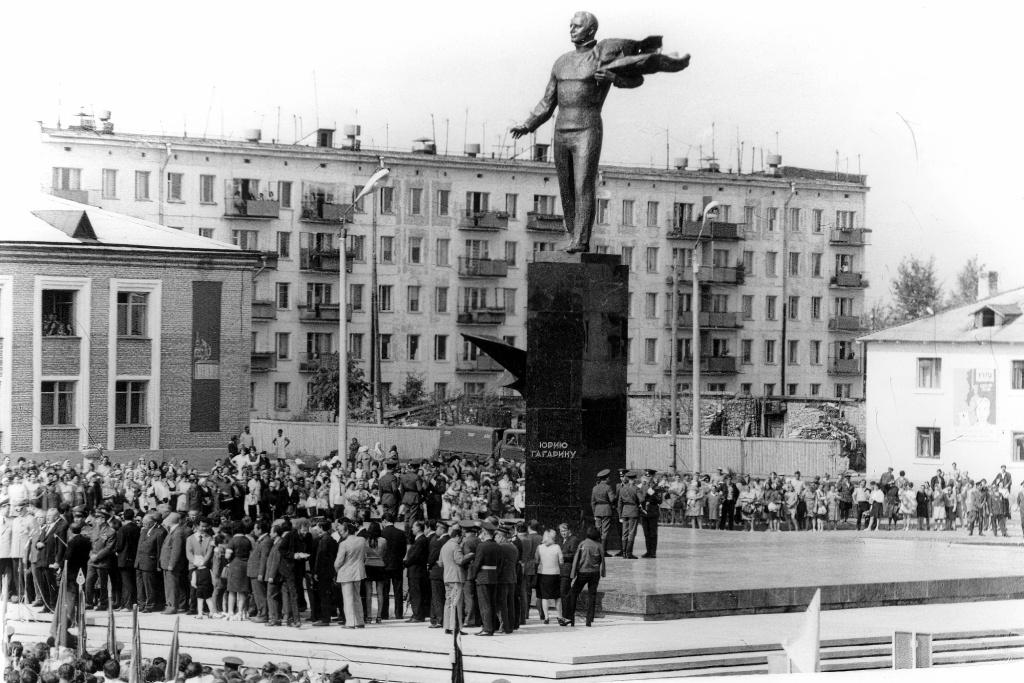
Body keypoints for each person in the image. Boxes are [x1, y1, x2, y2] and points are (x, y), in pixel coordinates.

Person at [511, 11, 690, 252]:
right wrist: (528, 124)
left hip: (587, 129)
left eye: (576, 26)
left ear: (590, 30)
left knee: (583, 185)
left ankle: (581, 241)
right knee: (566, 188)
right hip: (561, 131)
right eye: (570, 26)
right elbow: (547, 102)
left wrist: (613, 77)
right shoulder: (561, 62)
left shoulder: (601, 57)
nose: (571, 30)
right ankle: (573, 235)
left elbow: (637, 80)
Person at [566, 526, 605, 627]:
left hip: (583, 572)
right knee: (592, 595)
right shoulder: (599, 545)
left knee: (573, 593)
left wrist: (573, 574)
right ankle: (589, 619)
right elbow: (602, 560)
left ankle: (571, 618)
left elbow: (576, 559)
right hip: (595, 573)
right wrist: (602, 572)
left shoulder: (583, 543)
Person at [334, 520, 366, 629]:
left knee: (347, 598)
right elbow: (364, 556)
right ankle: (360, 621)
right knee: (357, 597)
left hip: (346, 573)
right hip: (358, 572)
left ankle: (350, 622)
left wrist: (337, 569)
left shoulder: (343, 544)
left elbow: (338, 561)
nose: (341, 533)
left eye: (342, 531)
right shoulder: (362, 540)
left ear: (347, 531)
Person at [471, 521, 501, 636]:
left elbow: (477, 563)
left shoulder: (482, 546)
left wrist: (473, 575)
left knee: (484, 604)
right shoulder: (497, 546)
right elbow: (500, 563)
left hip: (483, 576)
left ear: (484, 532)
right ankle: (492, 626)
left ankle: (487, 628)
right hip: (494, 576)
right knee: (492, 603)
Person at [437, 523, 465, 634]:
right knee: (456, 603)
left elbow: (440, 563)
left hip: (447, 577)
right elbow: (459, 560)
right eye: (461, 537)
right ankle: (456, 627)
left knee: (448, 602)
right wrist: (468, 556)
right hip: (456, 578)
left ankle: (447, 626)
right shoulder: (456, 546)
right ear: (458, 536)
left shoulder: (444, 546)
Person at [159, 512, 188, 614]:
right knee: (172, 586)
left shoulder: (177, 532)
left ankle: (172, 606)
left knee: (172, 586)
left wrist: (172, 564)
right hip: (167, 564)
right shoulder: (173, 531)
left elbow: (176, 550)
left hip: (171, 565)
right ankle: (174, 605)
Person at [222, 521, 251, 621]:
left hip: (235, 565)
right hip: (246, 565)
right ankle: (240, 612)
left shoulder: (233, 540)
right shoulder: (247, 540)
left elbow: (227, 555)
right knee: (242, 590)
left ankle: (230, 612)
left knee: (232, 590)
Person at [379, 513, 406, 620]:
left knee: (384, 590)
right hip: (397, 564)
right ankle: (398, 613)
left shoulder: (382, 533)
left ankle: (384, 613)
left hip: (384, 565)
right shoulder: (400, 533)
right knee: (398, 591)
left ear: (384, 521)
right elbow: (403, 550)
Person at [534, 529, 563, 625]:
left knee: (544, 597)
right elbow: (561, 561)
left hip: (543, 574)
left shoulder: (539, 547)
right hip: (555, 573)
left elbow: (536, 560)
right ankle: (559, 616)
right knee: (557, 597)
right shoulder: (557, 547)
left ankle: (546, 617)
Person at [362, 521, 388, 624]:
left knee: (368, 593)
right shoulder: (383, 541)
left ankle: (369, 616)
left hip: (368, 564)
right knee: (380, 592)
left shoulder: (366, 541)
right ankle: (379, 616)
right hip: (380, 564)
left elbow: (364, 554)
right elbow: (385, 553)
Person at [403, 520, 429, 622]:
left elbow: (415, 556)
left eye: (413, 527)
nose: (412, 529)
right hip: (416, 571)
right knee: (415, 593)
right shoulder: (419, 540)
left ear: (418, 528)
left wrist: (405, 563)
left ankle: (418, 615)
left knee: (416, 593)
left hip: (417, 571)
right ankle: (416, 613)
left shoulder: (421, 540)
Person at [589, 470, 616, 555]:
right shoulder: (608, 487)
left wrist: (594, 513)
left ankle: (597, 550)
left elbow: (592, 502)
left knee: (598, 531)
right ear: (606, 478)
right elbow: (612, 499)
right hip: (606, 510)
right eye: (608, 477)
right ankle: (603, 551)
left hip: (597, 511)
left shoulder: (595, 488)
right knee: (605, 532)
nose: (609, 479)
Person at [617, 471, 643, 558]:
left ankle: (624, 553)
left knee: (624, 533)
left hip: (624, 512)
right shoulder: (636, 489)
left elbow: (619, 503)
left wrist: (620, 515)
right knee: (631, 533)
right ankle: (629, 553)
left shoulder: (622, 488)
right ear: (634, 479)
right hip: (633, 511)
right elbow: (641, 499)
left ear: (627, 478)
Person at [638, 469, 663, 557]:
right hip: (644, 512)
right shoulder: (641, 486)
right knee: (646, 533)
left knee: (653, 533)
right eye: (646, 476)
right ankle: (648, 551)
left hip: (653, 511)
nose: (647, 478)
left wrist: (652, 493)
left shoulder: (657, 487)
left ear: (652, 477)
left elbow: (660, 500)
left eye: (649, 476)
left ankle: (653, 552)